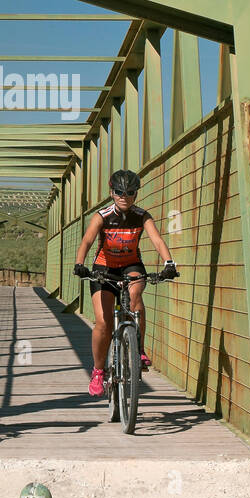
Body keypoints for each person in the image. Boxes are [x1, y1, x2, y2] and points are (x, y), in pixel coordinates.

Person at [73, 169, 177, 396]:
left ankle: (138, 350)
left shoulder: (142, 216)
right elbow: (88, 240)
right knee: (103, 322)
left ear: (136, 194)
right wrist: (80, 263)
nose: (124, 196)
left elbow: (157, 239)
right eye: (119, 192)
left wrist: (169, 263)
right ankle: (99, 371)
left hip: (131, 266)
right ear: (112, 192)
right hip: (104, 268)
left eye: (129, 192)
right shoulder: (102, 216)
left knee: (135, 294)